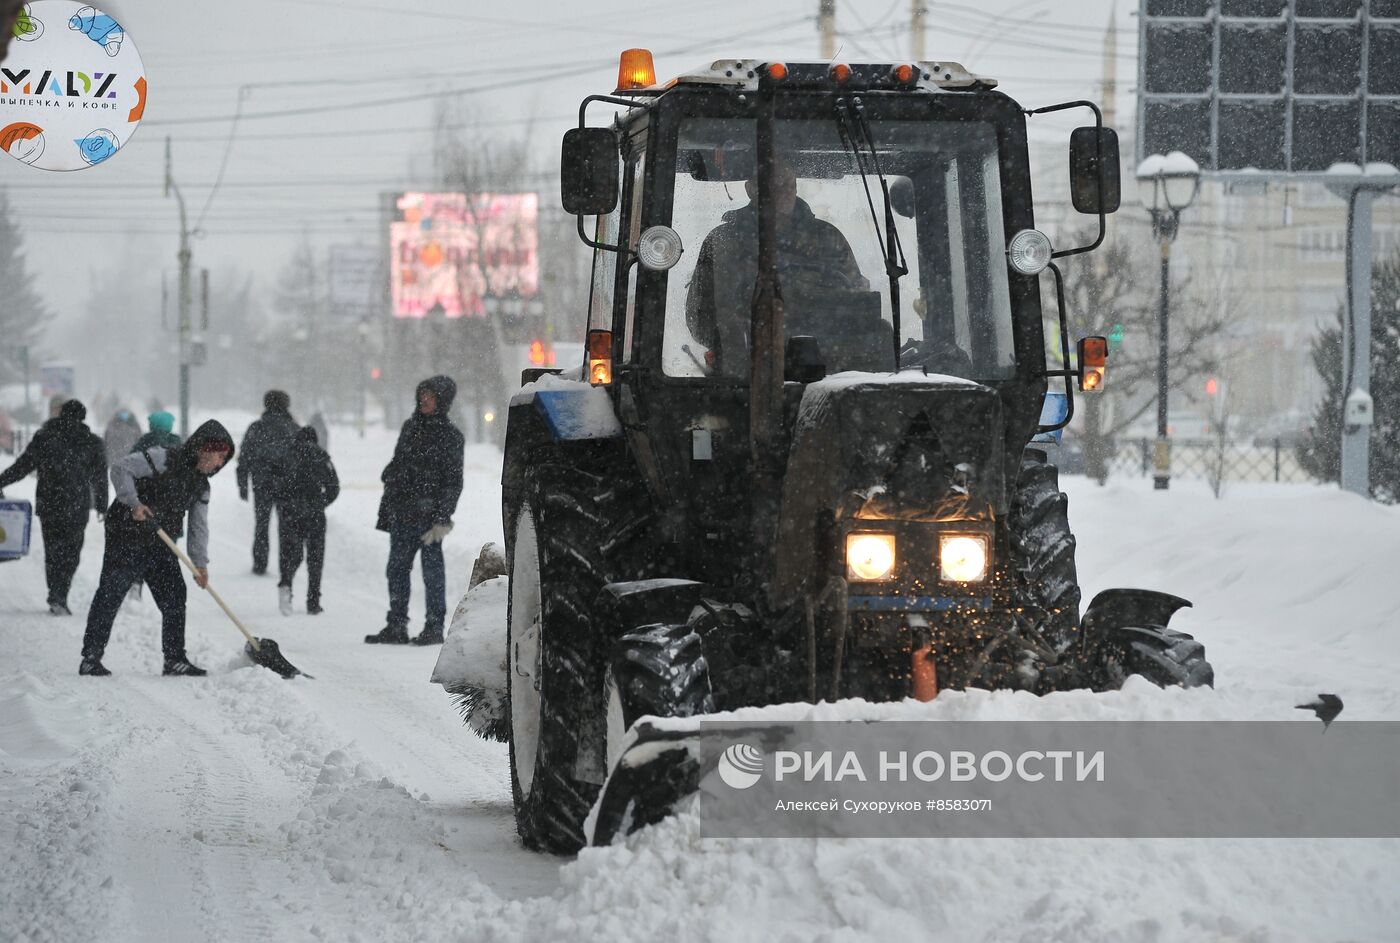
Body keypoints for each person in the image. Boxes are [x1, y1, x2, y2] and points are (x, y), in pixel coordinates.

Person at [79, 420, 236, 677]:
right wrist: (134, 503)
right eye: (219, 456)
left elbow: (198, 526)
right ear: (204, 448)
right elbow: (120, 469)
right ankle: (90, 657)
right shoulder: (163, 458)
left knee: (174, 595)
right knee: (111, 592)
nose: (219, 463)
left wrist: (200, 564)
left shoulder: (201, 485)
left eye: (224, 460)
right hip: (126, 535)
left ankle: (174, 659)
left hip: (160, 541)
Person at [685, 160, 867, 374]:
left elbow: (858, 305)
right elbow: (698, 316)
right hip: (742, 374)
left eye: (790, 184)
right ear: (751, 189)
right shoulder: (722, 242)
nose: (786, 192)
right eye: (777, 185)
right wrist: (734, 334)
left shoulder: (828, 238)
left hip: (823, 369)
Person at [366, 376, 464, 646]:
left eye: (430, 395)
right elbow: (398, 464)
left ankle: (434, 627)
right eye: (422, 394)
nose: (424, 400)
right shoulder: (410, 427)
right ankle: (396, 624)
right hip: (402, 512)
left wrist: (443, 517)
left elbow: (453, 481)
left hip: (429, 518)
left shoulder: (451, 436)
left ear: (442, 400)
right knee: (396, 570)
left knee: (432, 574)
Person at [0, 399, 107, 615]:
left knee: (53, 551)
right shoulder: (92, 442)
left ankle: (56, 594)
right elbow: (100, 477)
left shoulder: (45, 438)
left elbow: (23, 466)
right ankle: (61, 592)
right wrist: (102, 505)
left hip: (50, 504)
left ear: (60, 415)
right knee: (72, 552)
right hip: (77, 505)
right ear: (83, 417)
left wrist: (2, 480)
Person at [275, 426, 339, 616]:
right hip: (314, 514)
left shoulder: (286, 456)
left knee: (290, 553)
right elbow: (334, 487)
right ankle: (313, 601)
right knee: (315, 558)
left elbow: (274, 485)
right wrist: (320, 503)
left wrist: (285, 504)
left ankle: (286, 585)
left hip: (289, 514)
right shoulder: (322, 457)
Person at [235, 390, 297, 575]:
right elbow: (303, 459)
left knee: (261, 524)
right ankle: (286, 565)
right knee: (286, 526)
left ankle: (260, 562)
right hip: (288, 484)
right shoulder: (294, 428)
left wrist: (243, 484)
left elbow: (244, 457)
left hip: (262, 483)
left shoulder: (256, 428)